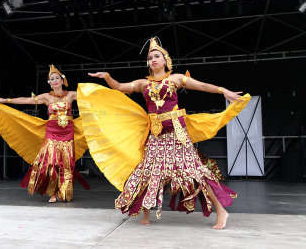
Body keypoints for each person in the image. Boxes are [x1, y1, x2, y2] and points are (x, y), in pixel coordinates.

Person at [77, 37, 250, 229]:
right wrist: (108, 77)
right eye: (150, 58)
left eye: (157, 56)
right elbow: (120, 88)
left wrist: (222, 90)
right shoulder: (143, 83)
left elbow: (201, 85)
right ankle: (146, 214)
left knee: (195, 172)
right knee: (148, 173)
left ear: (166, 60)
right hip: (155, 135)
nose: (153, 60)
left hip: (177, 134)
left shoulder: (175, 79)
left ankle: (221, 210)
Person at [0, 65, 89, 203]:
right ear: (49, 82)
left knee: (66, 164)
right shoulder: (46, 97)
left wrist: (109, 98)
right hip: (52, 132)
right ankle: (53, 193)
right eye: (51, 79)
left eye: (57, 78)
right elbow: (27, 100)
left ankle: (64, 192)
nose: (55, 80)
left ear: (62, 80)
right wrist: (5, 100)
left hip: (67, 132)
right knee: (51, 162)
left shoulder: (71, 94)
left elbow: (90, 97)